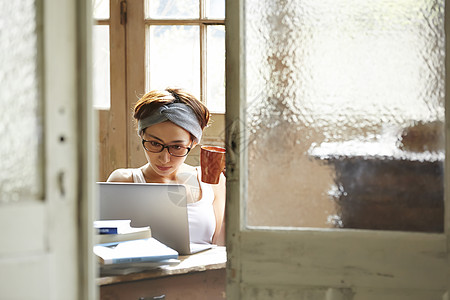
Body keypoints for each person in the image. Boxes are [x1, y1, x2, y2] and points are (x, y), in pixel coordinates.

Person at [107, 87, 226, 245]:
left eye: (176, 147)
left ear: (193, 143)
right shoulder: (122, 182)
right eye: (155, 143)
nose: (164, 158)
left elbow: (218, 247)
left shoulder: (211, 184)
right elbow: (105, 246)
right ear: (141, 134)